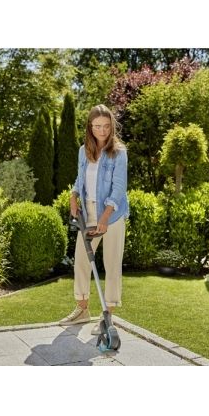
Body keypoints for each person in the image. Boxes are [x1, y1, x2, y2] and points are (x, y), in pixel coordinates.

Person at [59, 104, 129, 335]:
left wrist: (105, 217)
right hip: (89, 213)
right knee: (81, 260)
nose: (102, 131)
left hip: (112, 214)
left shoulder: (119, 152)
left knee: (111, 264)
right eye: (97, 126)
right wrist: (73, 196)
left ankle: (107, 316)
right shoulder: (84, 151)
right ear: (90, 127)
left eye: (106, 126)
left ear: (112, 126)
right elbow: (80, 179)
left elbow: (119, 188)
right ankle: (82, 309)